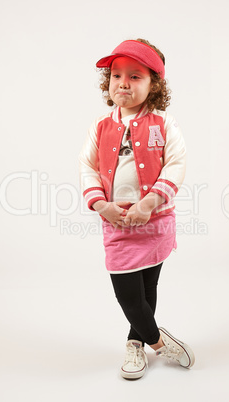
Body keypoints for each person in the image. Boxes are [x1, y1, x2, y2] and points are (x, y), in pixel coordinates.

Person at [78, 38, 195, 380]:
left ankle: (135, 343)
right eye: (117, 76)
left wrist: (150, 202)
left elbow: (176, 163)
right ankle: (159, 342)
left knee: (146, 289)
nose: (123, 83)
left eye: (135, 76)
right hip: (116, 220)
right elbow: (86, 166)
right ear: (108, 82)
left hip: (155, 220)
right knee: (127, 295)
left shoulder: (164, 124)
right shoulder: (100, 126)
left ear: (154, 84)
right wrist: (100, 203)